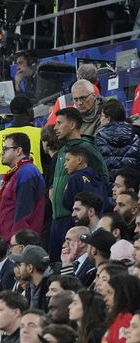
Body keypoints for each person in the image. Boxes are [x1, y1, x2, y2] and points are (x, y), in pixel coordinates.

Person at [50, 107, 109, 262]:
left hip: (72, 217)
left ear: (72, 125)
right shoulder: (62, 150)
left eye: (59, 123)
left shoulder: (86, 147)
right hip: (57, 217)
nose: (55, 127)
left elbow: (102, 177)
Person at [0, 132, 46, 240]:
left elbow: (24, 212)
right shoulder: (19, 172)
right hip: (11, 240)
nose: (2, 153)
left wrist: (18, 242)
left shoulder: (26, 173)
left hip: (20, 243)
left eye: (5, 149)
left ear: (18, 151)